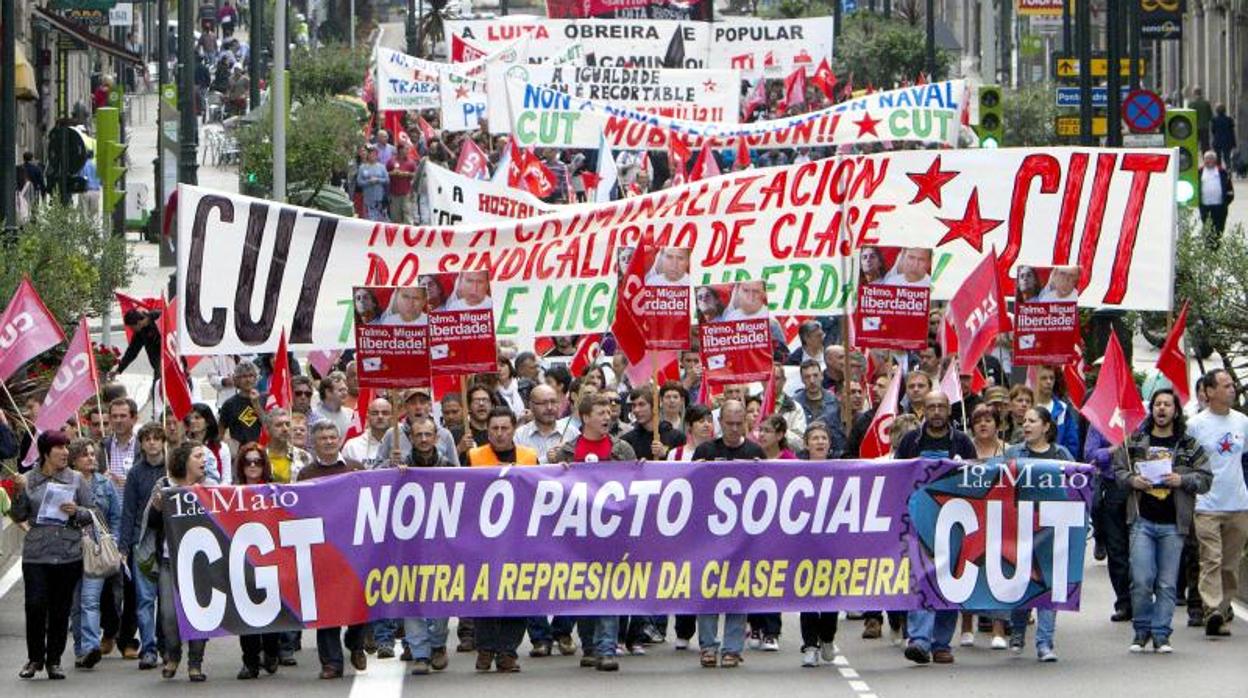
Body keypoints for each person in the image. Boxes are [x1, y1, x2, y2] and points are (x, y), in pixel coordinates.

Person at [1113, 389, 1212, 653]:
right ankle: (1141, 630)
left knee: (1167, 583)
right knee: (1142, 579)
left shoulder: (1189, 445)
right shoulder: (1135, 440)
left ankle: (1161, 634)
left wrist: (1183, 480)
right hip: (1141, 520)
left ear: (1175, 411)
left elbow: (1205, 479)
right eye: (1157, 404)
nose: (1162, 409)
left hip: (1174, 524)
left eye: (1167, 404)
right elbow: (1118, 469)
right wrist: (1133, 481)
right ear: (1152, 409)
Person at [554, 395, 638, 671]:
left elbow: (636, 487)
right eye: (601, 412)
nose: (607, 417)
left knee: (608, 592)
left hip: (612, 533)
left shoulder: (622, 449)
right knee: (584, 591)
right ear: (585, 417)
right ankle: (589, 645)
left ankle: (606, 649)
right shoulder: (567, 451)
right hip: (578, 534)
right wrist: (555, 470)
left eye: (610, 412)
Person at [898, 391, 976, 665]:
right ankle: (919, 640)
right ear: (924, 411)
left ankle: (941, 643)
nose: (936, 411)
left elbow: (976, 478)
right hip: (919, 520)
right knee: (921, 579)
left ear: (949, 410)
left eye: (941, 406)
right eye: (931, 407)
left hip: (955, 521)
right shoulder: (910, 441)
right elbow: (897, 477)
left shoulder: (963, 442)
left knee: (949, 582)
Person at [11, 431, 94, 680]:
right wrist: (18, 493)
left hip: (68, 553)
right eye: (59, 448)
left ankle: (54, 660)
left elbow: (92, 513)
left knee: (60, 609)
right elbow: (18, 515)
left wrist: (76, 511)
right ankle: (35, 658)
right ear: (46, 452)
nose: (65, 452)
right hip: (37, 554)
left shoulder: (77, 479)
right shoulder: (28, 479)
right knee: (35, 606)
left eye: (67, 447)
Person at [692, 400, 759, 669]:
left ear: (745, 421)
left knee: (737, 591)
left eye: (738, 423)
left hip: (742, 536)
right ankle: (708, 646)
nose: (733, 428)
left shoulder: (755, 451)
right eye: (728, 423)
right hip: (709, 536)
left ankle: (732, 648)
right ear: (720, 421)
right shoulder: (706, 450)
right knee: (707, 591)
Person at [297, 422, 367, 678]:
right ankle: (331, 663)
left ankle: (356, 642)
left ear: (339, 439)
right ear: (314, 443)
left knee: (360, 603)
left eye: (332, 436)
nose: (328, 441)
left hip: (355, 549)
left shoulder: (355, 468)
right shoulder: (305, 474)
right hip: (322, 551)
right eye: (322, 438)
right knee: (326, 608)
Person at [1002, 405, 1072, 661]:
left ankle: (1045, 643)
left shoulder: (1061, 454)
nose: (1027, 425)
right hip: (1019, 526)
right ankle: (1018, 632)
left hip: (1053, 528)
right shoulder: (1013, 452)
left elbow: (1077, 485)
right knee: (1023, 581)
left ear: (1046, 426)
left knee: (1049, 585)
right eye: (1025, 421)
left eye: (1033, 421)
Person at [1185, 369, 1248, 637]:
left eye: (1232, 385)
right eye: (1225, 385)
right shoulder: (1196, 425)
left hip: (1238, 503)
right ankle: (1211, 609)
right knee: (1211, 559)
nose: (1231, 389)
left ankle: (1221, 611)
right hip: (1206, 504)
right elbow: (1186, 461)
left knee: (1230, 565)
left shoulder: (1242, 422)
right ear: (1209, 392)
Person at [146, 442, 210, 681]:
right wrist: (157, 508)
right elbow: (151, 524)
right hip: (168, 562)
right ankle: (173, 655)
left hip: (201, 563)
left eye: (205, 456)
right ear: (184, 460)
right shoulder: (164, 486)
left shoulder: (210, 487)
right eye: (198, 456)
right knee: (168, 616)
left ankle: (196, 664)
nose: (204, 460)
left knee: (200, 614)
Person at [397, 416, 454, 673]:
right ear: (410, 438)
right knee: (411, 599)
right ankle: (420, 653)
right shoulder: (399, 467)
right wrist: (390, 473)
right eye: (418, 435)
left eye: (427, 435)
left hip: (441, 545)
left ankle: (438, 644)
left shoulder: (449, 467)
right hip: (408, 545)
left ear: (436, 437)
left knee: (440, 598)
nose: (423, 440)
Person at [117, 422, 168, 670]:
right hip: (143, 541)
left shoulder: (174, 469)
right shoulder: (136, 473)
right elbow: (128, 511)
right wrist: (124, 545)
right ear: (142, 444)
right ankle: (148, 647)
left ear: (163, 441)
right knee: (145, 598)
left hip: (169, 540)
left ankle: (164, 643)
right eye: (147, 439)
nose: (152, 443)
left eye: (156, 438)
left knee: (166, 597)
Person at [232, 443, 285, 678]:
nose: (253, 466)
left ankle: (272, 652)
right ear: (241, 466)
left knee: (271, 613)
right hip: (242, 561)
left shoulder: (276, 491)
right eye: (248, 462)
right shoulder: (229, 494)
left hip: (271, 559)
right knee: (247, 614)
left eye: (258, 462)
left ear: (265, 465)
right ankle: (250, 662)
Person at [68, 439, 121, 669]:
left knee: (90, 599)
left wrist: (115, 541)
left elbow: (116, 516)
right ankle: (80, 649)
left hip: (98, 548)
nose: (91, 458)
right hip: (70, 549)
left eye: (92, 453)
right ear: (74, 460)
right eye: (84, 455)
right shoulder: (67, 483)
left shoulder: (105, 484)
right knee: (76, 603)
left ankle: (90, 646)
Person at [794, 360, 846, 454]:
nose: (812, 381)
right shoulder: (794, 403)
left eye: (815, 375)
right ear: (802, 380)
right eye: (807, 377)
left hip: (832, 452)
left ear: (821, 376)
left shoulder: (835, 400)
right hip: (804, 454)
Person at [621, 388, 686, 460]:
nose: (636, 410)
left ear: (654, 406)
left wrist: (666, 454)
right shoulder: (627, 440)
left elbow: (683, 465)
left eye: (641, 404)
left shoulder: (676, 437)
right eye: (634, 405)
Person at [1033, 365, 1081, 456]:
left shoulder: (1063, 408)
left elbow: (1072, 443)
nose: (1048, 381)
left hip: (1057, 463)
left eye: (1052, 378)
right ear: (1036, 380)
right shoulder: (1029, 406)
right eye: (1044, 378)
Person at [218, 361, 264, 447]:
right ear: (237, 379)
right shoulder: (229, 404)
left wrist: (256, 404)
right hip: (239, 453)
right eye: (244, 376)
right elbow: (220, 432)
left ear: (256, 378)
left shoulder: (264, 399)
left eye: (251, 375)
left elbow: (268, 427)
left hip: (261, 450)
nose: (248, 380)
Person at [341, 397, 392, 469]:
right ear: (368, 416)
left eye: (385, 413)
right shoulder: (352, 446)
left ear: (392, 417)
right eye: (375, 413)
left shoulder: (402, 443)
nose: (380, 416)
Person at [264, 408, 312, 484]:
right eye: (279, 425)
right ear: (267, 430)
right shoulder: (259, 457)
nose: (285, 429)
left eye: (288, 424)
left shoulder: (305, 457)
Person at [186, 403, 229, 482]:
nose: (192, 421)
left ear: (208, 422)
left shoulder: (222, 448)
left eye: (197, 418)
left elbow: (226, 479)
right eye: (190, 418)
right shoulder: (185, 446)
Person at [1198, 149, 1234, 242]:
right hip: (1205, 207)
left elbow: (1230, 191)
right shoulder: (1199, 172)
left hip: (1220, 207)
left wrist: (1225, 203)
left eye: (1211, 159)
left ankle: (1215, 248)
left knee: (1219, 229)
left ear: (1215, 160)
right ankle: (1208, 248)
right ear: (1204, 160)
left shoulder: (1222, 172)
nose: (1209, 161)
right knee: (1207, 229)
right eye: (1207, 159)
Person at [356, 145, 390, 221]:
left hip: (379, 197)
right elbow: (359, 182)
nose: (372, 156)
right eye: (370, 154)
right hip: (367, 197)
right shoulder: (362, 167)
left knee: (379, 218)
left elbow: (387, 180)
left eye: (374, 154)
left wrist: (378, 180)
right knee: (369, 218)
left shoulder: (382, 167)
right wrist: (369, 182)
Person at [388, 142, 417, 224]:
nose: (408, 150)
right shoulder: (391, 161)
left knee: (407, 215)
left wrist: (407, 174)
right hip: (394, 193)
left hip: (406, 193)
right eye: (406, 149)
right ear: (400, 150)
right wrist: (392, 173)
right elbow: (385, 173)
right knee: (395, 217)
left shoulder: (411, 162)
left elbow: (416, 175)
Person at [1211, 103, 1236, 170]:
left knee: (1218, 157)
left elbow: (1213, 131)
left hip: (1217, 141)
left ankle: (1219, 170)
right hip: (1227, 140)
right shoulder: (1229, 119)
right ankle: (1228, 169)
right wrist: (1234, 143)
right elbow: (1232, 132)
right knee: (1227, 157)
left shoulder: (1214, 120)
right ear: (1225, 110)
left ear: (1216, 111)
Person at [1187, 86, 1213, 152]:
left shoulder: (1191, 104)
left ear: (1194, 93)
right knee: (1205, 145)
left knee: (1193, 145)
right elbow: (1210, 116)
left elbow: (1188, 116)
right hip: (1205, 127)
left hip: (1194, 127)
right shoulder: (1206, 103)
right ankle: (1205, 159)